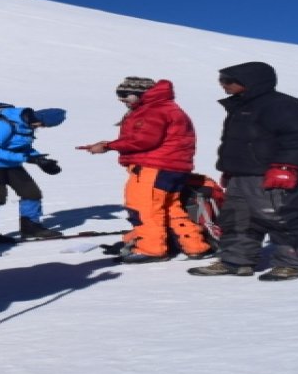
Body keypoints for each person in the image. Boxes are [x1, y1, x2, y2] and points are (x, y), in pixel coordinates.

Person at [190, 63, 298, 281]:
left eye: (228, 80)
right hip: (240, 175)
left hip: (269, 174)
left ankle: (295, 264)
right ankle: (235, 261)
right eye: (221, 80)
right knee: (236, 220)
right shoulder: (241, 106)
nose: (223, 85)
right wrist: (230, 170)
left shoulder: (282, 105)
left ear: (250, 81)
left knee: (281, 218)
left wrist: (286, 166)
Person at [77, 77, 212, 263]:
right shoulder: (166, 107)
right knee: (170, 209)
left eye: (125, 95)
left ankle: (151, 249)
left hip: (153, 168)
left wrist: (108, 146)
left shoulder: (154, 110)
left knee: (143, 209)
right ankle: (195, 245)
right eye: (119, 95)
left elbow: (144, 140)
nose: (122, 100)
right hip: (173, 168)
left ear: (142, 94)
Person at [0, 105, 68, 244]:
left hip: (10, 163)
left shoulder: (27, 125)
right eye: (43, 124)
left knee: (31, 193)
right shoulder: (1, 124)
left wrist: (40, 160)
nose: (41, 127)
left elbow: (22, 146)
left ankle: (31, 227)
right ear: (38, 118)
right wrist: (26, 158)